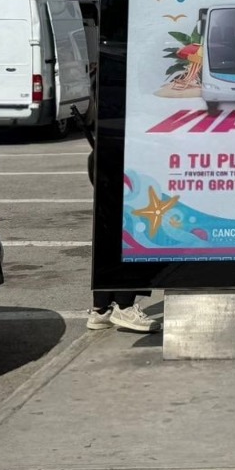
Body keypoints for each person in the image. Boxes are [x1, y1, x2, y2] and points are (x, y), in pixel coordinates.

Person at [75, 62, 160, 334]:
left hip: (105, 154)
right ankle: (124, 305)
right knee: (135, 230)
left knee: (110, 233)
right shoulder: (129, 70)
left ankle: (100, 308)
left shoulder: (108, 66)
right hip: (122, 157)